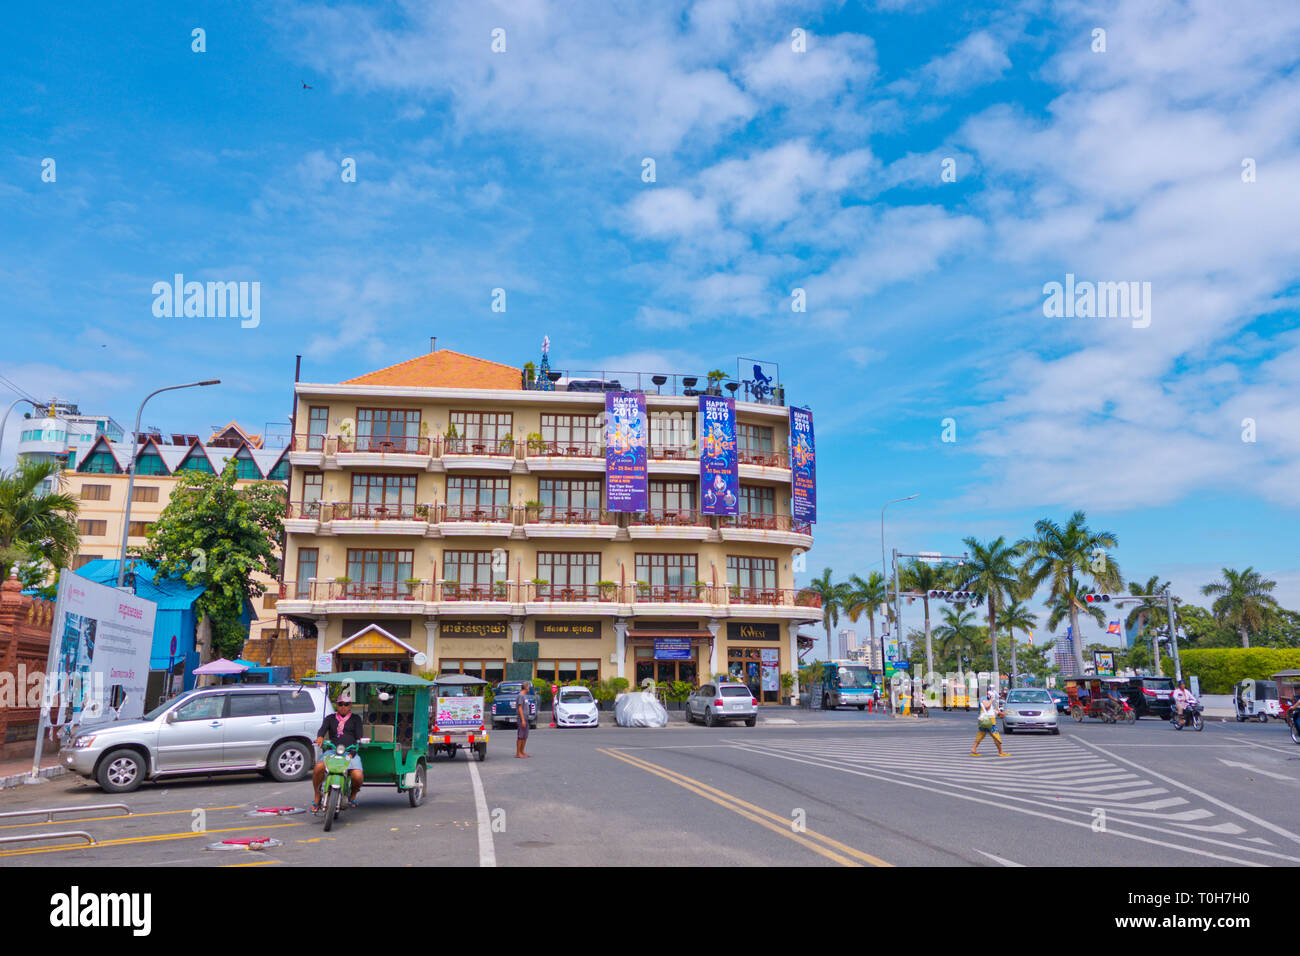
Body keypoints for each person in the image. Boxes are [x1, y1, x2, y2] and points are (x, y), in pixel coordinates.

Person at [313, 693, 364, 811]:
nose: (343, 707)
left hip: (349, 752)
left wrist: (353, 751)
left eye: (346, 704)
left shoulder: (356, 719)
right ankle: (317, 795)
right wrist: (320, 737)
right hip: (332, 751)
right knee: (318, 768)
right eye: (340, 704)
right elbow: (322, 731)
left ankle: (353, 795)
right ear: (337, 705)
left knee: (358, 775)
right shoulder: (330, 718)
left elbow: (359, 737)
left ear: (350, 705)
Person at [971, 690, 1008, 756]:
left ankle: (974, 749)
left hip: (984, 721)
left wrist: (1001, 713)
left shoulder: (988, 701)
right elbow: (987, 707)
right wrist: (991, 699)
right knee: (996, 737)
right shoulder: (984, 699)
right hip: (989, 722)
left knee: (980, 735)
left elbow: (993, 710)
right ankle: (1001, 752)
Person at [516, 682, 532, 758]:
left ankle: (522, 751)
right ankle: (518, 753)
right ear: (525, 687)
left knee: (525, 736)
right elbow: (519, 708)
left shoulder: (525, 696)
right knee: (520, 736)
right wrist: (522, 720)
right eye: (528, 686)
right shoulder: (520, 696)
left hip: (526, 718)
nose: (529, 688)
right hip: (522, 718)